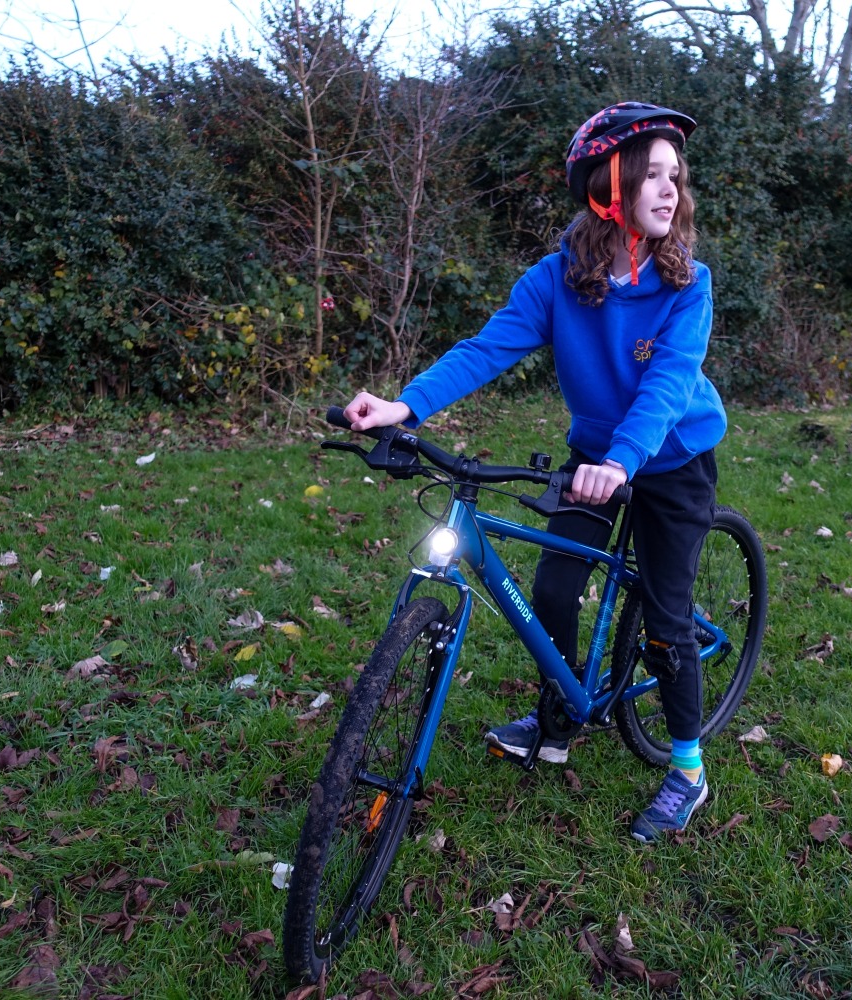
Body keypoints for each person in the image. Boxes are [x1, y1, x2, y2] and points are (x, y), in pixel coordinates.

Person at [343, 101, 726, 843]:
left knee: (667, 620)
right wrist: (404, 406)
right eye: (651, 174)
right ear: (606, 185)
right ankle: (557, 723)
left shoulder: (689, 283)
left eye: (675, 177)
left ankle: (686, 769)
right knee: (553, 587)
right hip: (596, 455)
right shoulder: (558, 278)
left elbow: (670, 382)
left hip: (671, 458)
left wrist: (623, 460)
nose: (670, 189)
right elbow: (487, 350)